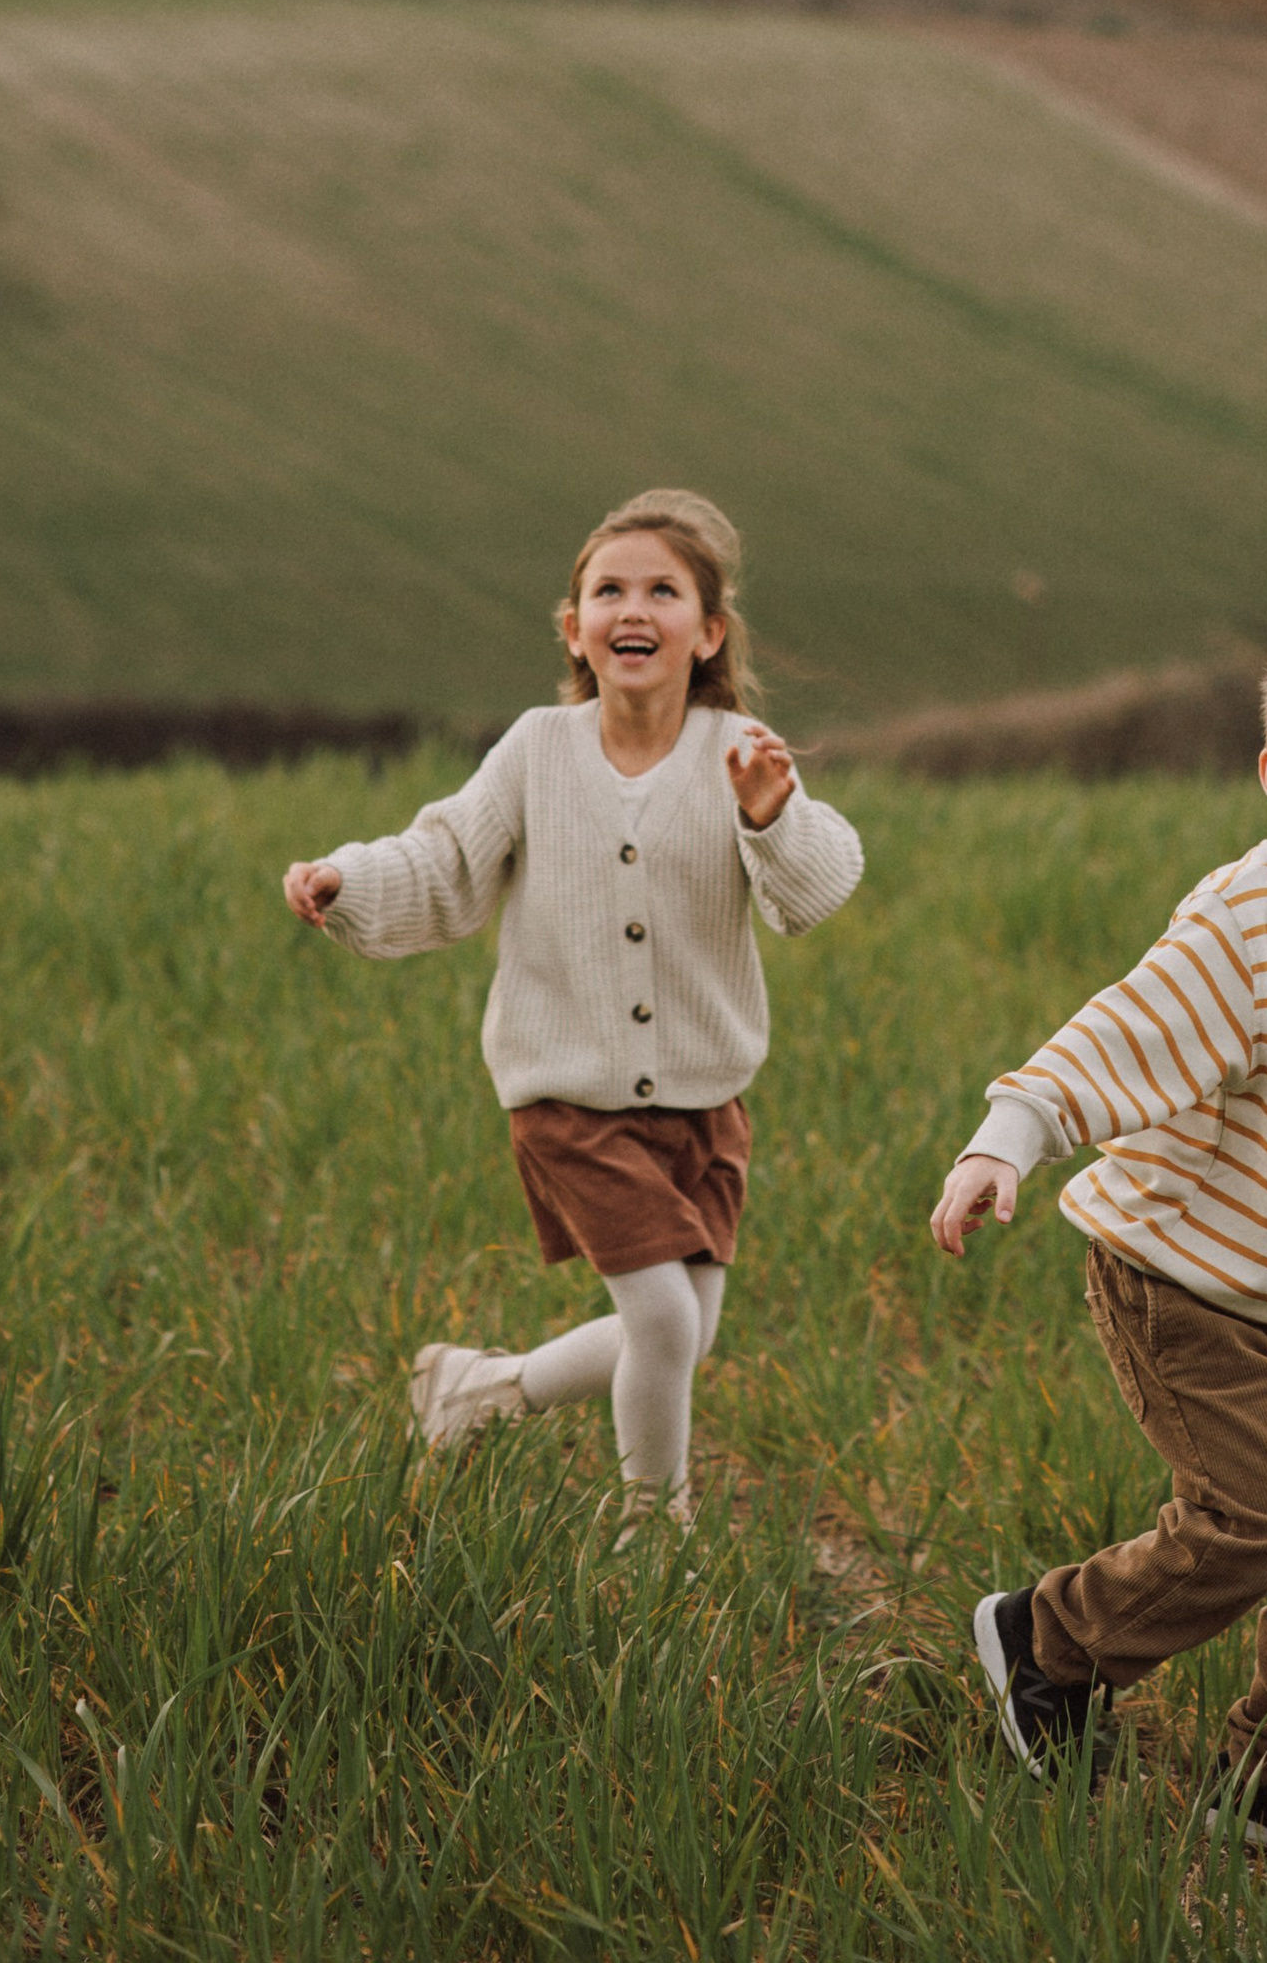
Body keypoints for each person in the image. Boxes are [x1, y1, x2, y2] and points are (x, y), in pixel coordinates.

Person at [930, 593, 1267, 1862]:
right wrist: (1010, 1132)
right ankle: (1047, 1640)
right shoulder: (1246, 916)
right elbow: (1123, 1031)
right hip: (1183, 1279)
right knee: (1264, 1514)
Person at [284, 487, 863, 1527]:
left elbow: (810, 894)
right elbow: (445, 859)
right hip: (567, 1097)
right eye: (609, 590)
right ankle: (654, 1530)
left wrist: (771, 815)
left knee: (682, 1332)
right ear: (574, 628)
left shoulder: (740, 750)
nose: (632, 607)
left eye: (662, 591)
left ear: (708, 631)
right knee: (663, 1322)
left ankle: (479, 1390)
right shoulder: (536, 749)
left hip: (705, 1100)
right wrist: (349, 879)